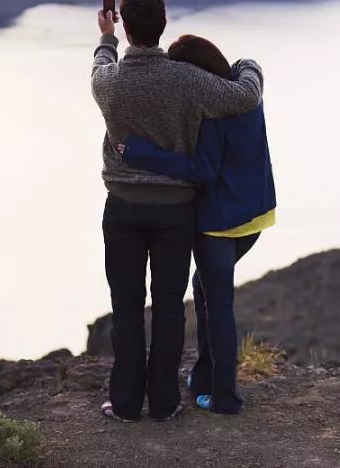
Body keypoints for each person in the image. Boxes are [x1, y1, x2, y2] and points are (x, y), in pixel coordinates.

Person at [90, 0, 264, 423]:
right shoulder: (189, 81)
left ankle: (127, 403)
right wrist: (250, 66)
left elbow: (101, 63)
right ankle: (165, 402)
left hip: (123, 208)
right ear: (164, 26)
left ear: (127, 28)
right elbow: (245, 95)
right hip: (175, 212)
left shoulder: (109, 84)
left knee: (126, 306)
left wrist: (106, 38)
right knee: (169, 306)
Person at [117, 34, 275, 416]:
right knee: (204, 288)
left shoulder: (210, 113)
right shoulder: (243, 89)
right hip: (254, 216)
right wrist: (249, 63)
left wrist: (142, 154)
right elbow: (250, 65)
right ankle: (205, 376)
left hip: (219, 222)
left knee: (219, 304)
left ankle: (225, 398)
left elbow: (203, 170)